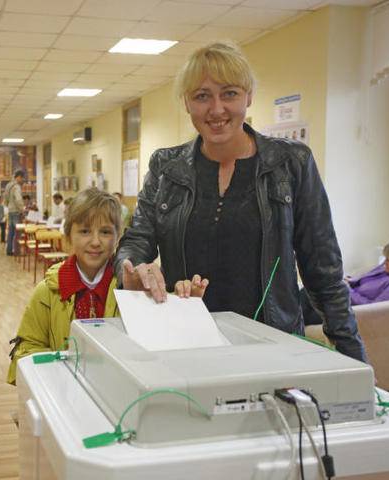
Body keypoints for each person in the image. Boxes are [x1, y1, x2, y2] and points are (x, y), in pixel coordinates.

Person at [114, 41, 367, 362]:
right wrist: (134, 268)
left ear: (249, 96)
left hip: (273, 345)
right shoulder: (166, 167)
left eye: (229, 93)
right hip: (185, 342)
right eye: (202, 96)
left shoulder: (291, 163)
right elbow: (136, 240)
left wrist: (354, 357)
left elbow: (324, 271)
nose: (216, 109)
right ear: (187, 103)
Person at [6, 188, 208, 384]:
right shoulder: (49, 290)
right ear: (68, 236)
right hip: (64, 391)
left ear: (118, 237)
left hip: (119, 394)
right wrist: (65, 363)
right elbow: (26, 351)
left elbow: (161, 347)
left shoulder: (133, 288)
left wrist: (185, 309)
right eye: (84, 231)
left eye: (105, 232)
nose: (95, 242)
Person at [301, 240, 389, 325]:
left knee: (307, 303)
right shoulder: (387, 270)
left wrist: (348, 290)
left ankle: (286, 324)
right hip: (342, 300)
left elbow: (375, 307)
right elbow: (363, 281)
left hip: (352, 312)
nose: (385, 262)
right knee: (311, 288)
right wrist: (349, 281)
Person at [4, 170, 25, 255]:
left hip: (10, 211)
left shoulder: (8, 185)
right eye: (22, 178)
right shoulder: (16, 187)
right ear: (19, 177)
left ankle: (9, 251)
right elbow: (18, 199)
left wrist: (9, 206)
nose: (22, 180)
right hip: (16, 212)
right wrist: (22, 209)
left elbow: (5, 199)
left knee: (10, 232)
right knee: (17, 233)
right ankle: (17, 251)